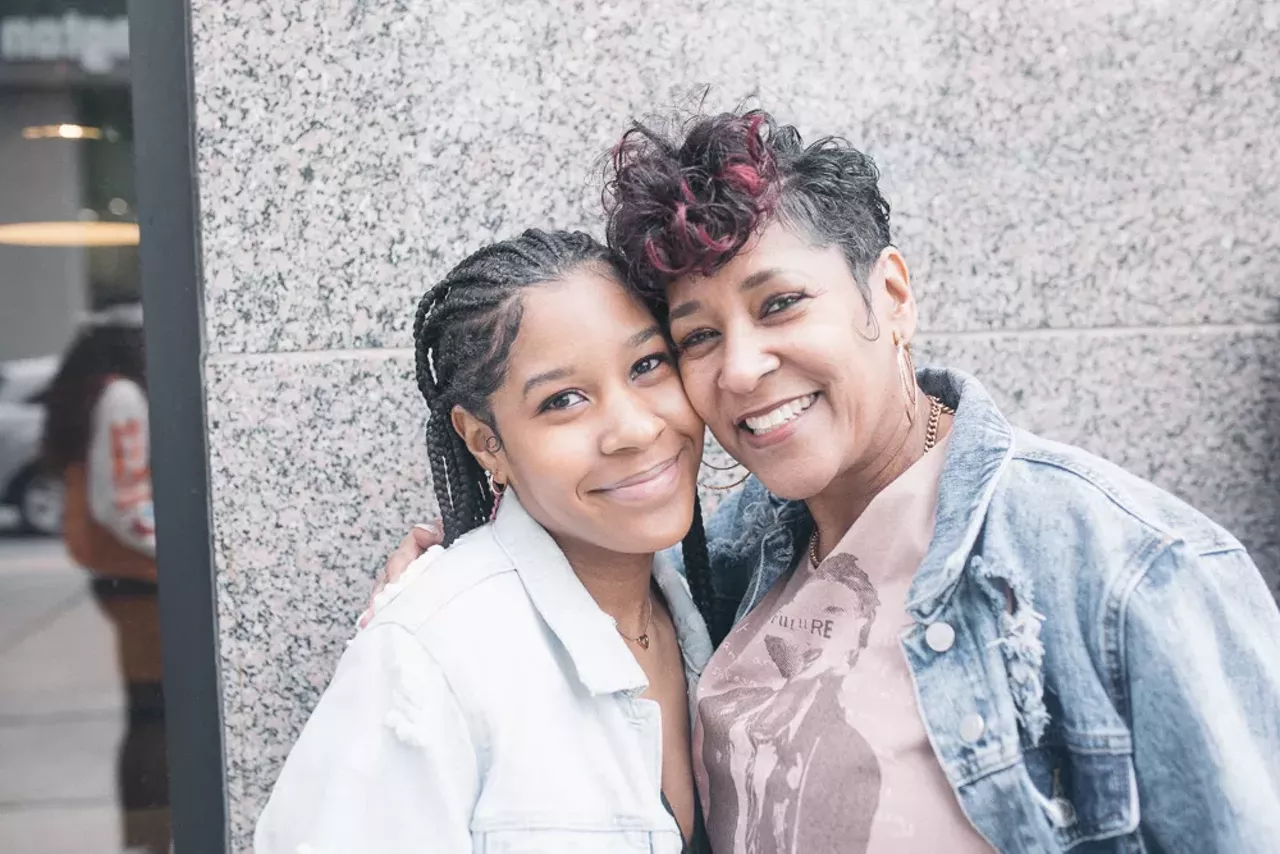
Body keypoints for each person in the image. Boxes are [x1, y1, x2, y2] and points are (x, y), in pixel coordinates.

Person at [373, 110, 1280, 852]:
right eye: (696, 336)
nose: (741, 367)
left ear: (890, 296)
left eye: (779, 304)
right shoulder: (727, 565)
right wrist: (435, 609)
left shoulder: (1123, 567)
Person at [256, 230, 717, 853]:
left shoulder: (713, 607)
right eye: (564, 400)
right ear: (485, 442)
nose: (634, 428)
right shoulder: (430, 654)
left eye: (646, 365)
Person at [41, 303, 169, 854]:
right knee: (152, 715)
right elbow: (124, 502)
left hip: (123, 579)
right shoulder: (120, 395)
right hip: (139, 581)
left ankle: (147, 837)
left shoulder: (97, 391)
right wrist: (181, 554)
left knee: (148, 713)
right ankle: (149, 838)